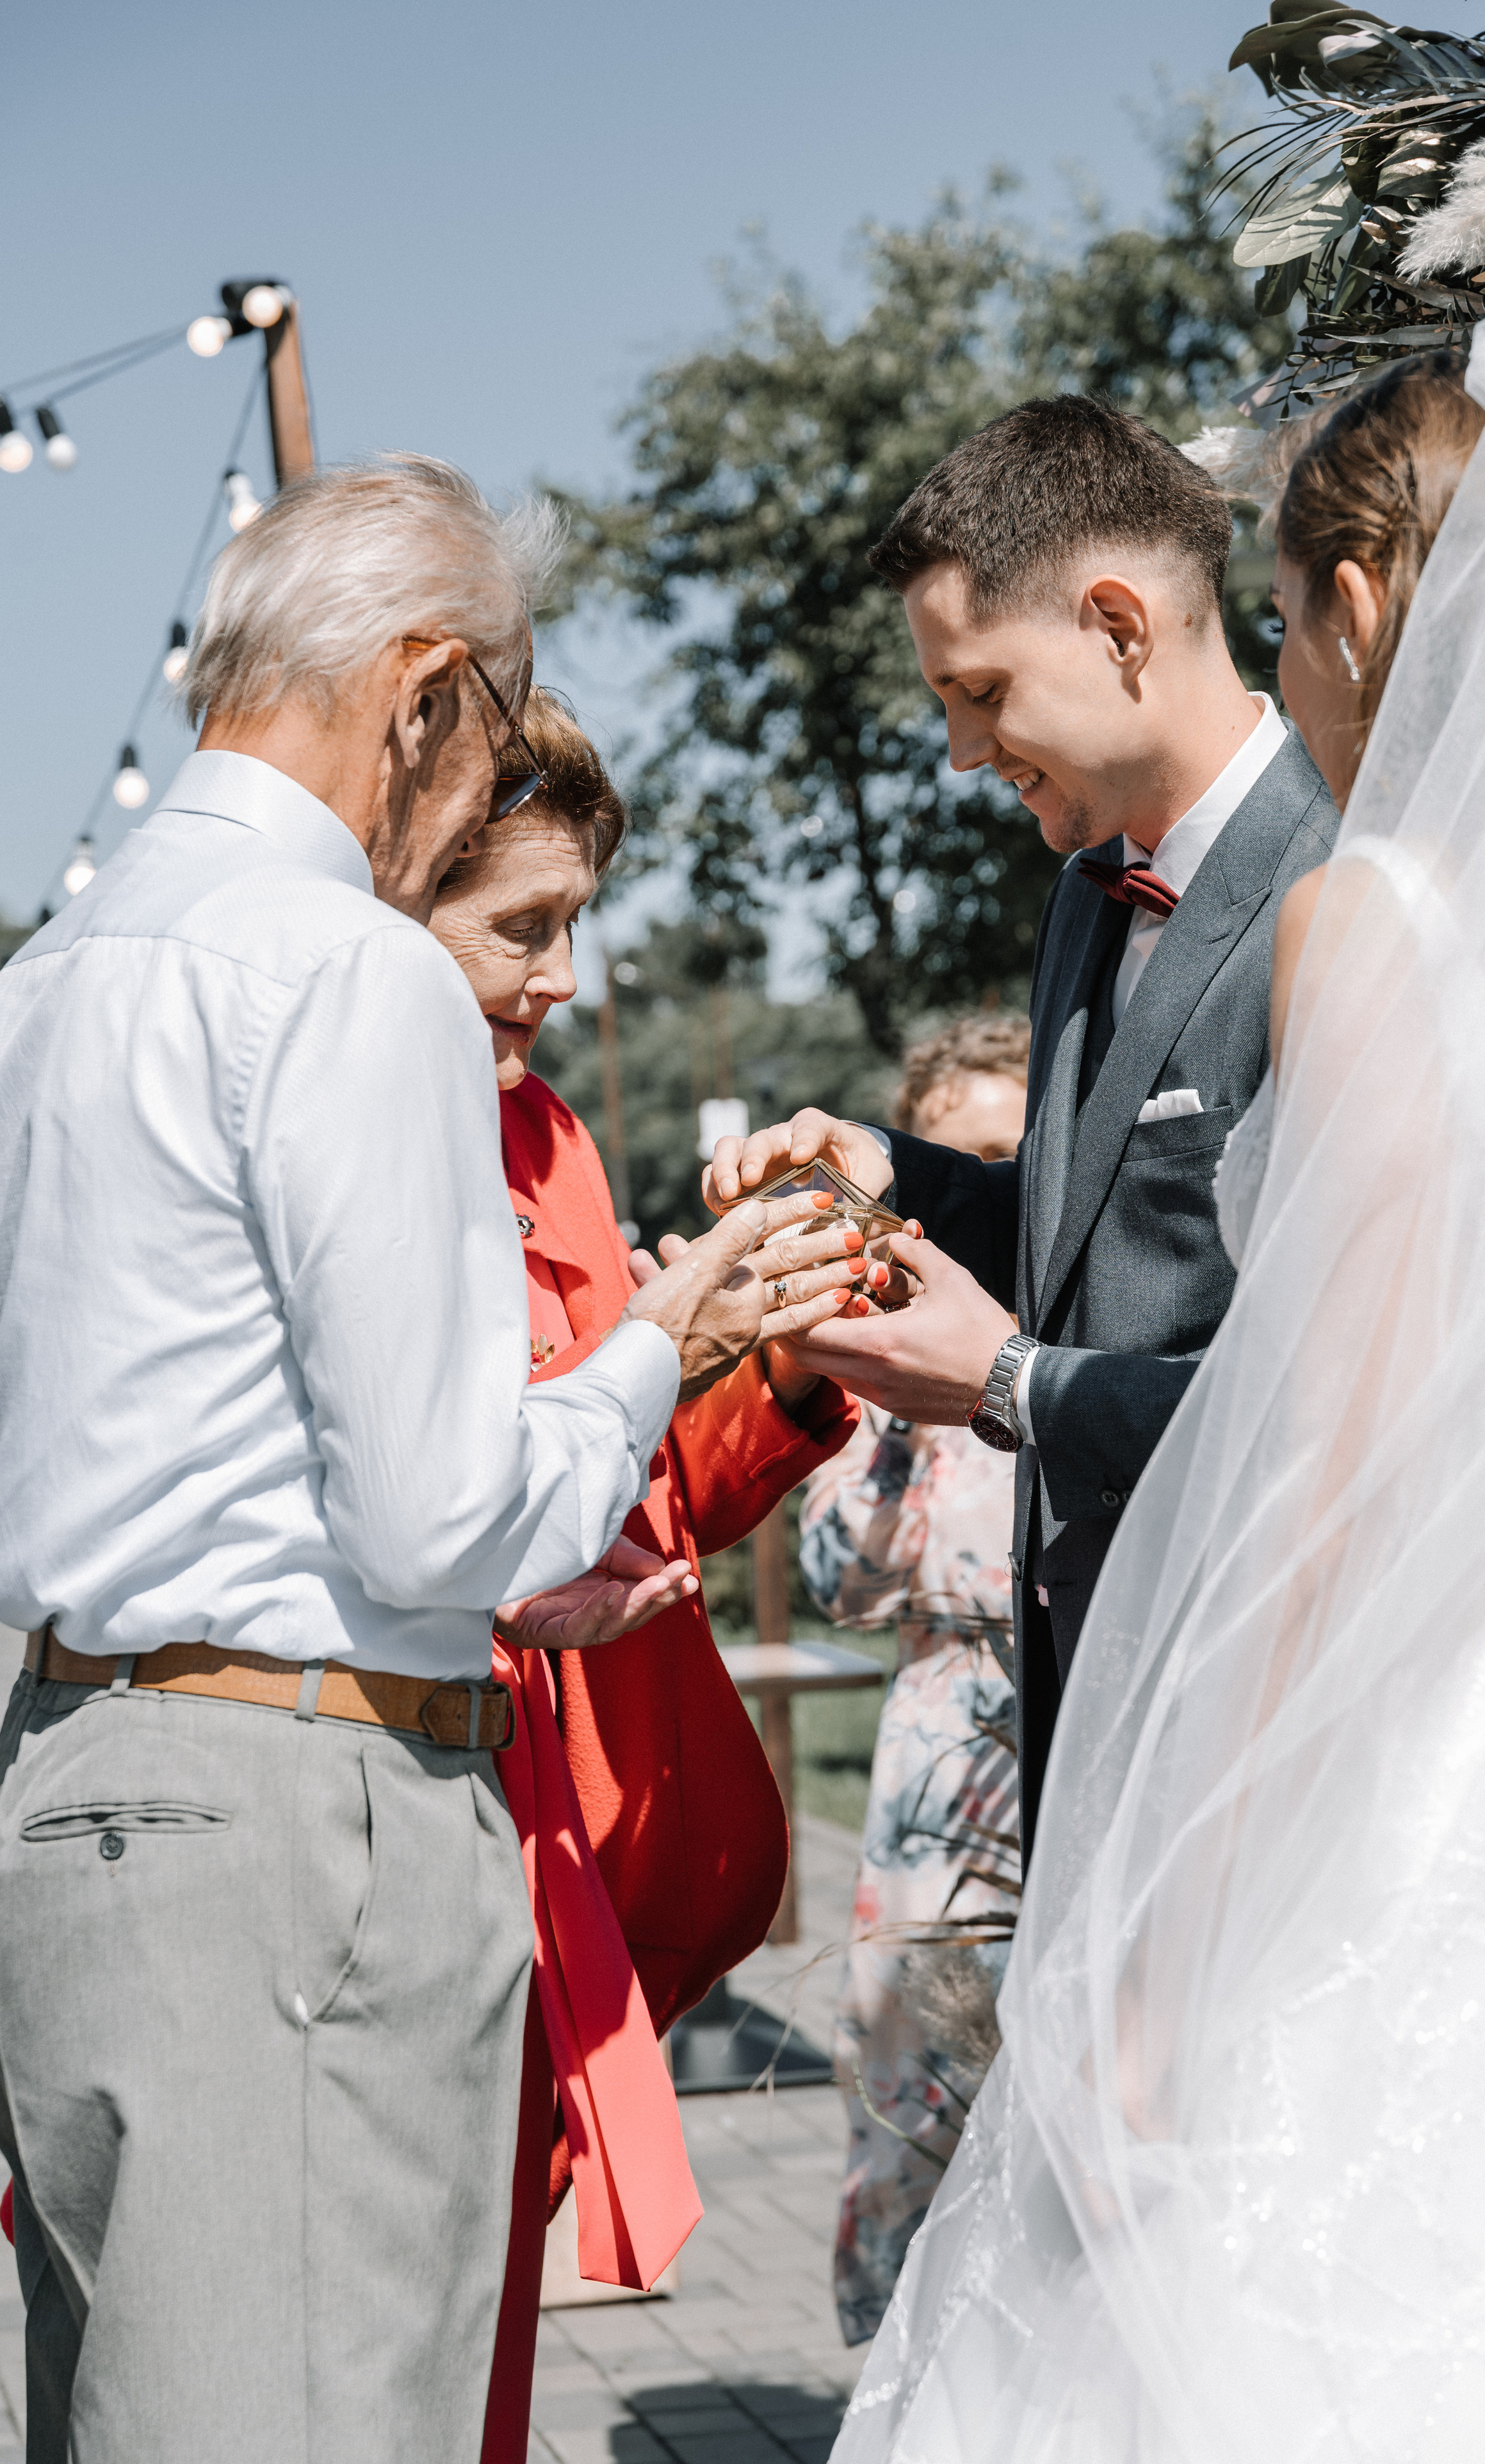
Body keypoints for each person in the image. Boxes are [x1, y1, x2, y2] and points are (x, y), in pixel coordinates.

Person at [836, 279, 1485, 2458]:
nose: (1286, 661)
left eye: (1289, 616)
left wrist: (1172, 1936)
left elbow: (1341, 1449)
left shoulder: (1364, 916)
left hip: (1386, 1744)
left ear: (1361, 604)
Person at [0, 456, 819, 2464]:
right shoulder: (341, 967)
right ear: (428, 692)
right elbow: (446, 1513)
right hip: (301, 1810)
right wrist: (661, 1337)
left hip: (73, 1777)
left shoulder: (44, 982)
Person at [704, 396, 1342, 1857]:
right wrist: (899, 1182)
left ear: (1118, 625)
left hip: (1278, 1707)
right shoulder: (1079, 895)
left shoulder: (1342, 877)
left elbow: (1333, 1391)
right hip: (1089, 1716)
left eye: (977, 690)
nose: (955, 750)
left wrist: (1001, 1380)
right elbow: (1094, 1224)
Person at [422, 685, 863, 2464]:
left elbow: (649, 1499)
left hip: (583, 1856)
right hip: (421, 1821)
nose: (567, 978)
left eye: (579, 922)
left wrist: (794, 1358)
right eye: (523, 928)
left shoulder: (553, 1144)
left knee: (481, 2371)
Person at [800, 1015, 1028, 2346]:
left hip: (1058, 1726)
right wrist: (897, 1414)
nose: (984, 1192)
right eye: (962, 1160)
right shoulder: (891, 1360)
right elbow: (842, 1576)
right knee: (913, 2110)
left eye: (1011, 1156)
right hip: (938, 1749)